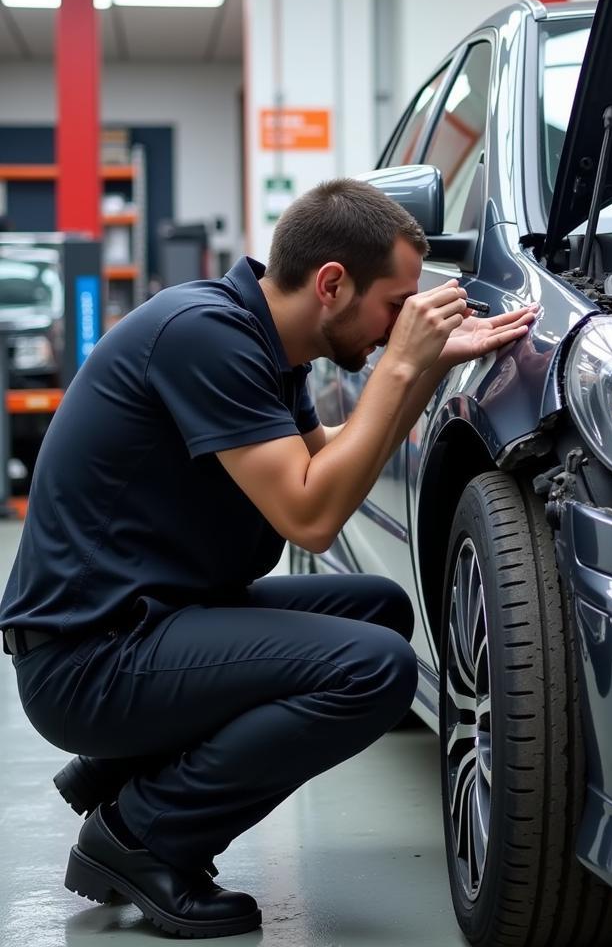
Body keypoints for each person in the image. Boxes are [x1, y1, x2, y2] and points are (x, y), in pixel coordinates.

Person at [0, 178, 536, 938]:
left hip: (146, 621)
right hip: (88, 658)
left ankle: (124, 771)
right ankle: (142, 837)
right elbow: (311, 515)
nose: (396, 329)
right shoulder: (205, 337)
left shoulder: (257, 341)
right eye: (394, 306)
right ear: (331, 284)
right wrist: (398, 370)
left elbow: (332, 466)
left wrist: (423, 370)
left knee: (378, 608)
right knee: (373, 668)